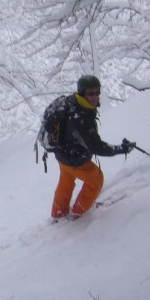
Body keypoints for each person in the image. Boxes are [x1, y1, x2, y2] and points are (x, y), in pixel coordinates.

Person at [51, 75, 134, 220]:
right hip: (74, 159)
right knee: (96, 180)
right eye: (90, 93)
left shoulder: (73, 102)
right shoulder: (81, 119)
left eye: (97, 92)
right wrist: (121, 149)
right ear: (82, 93)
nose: (95, 96)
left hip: (61, 154)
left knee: (66, 182)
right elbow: (97, 147)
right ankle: (79, 212)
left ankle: (58, 213)